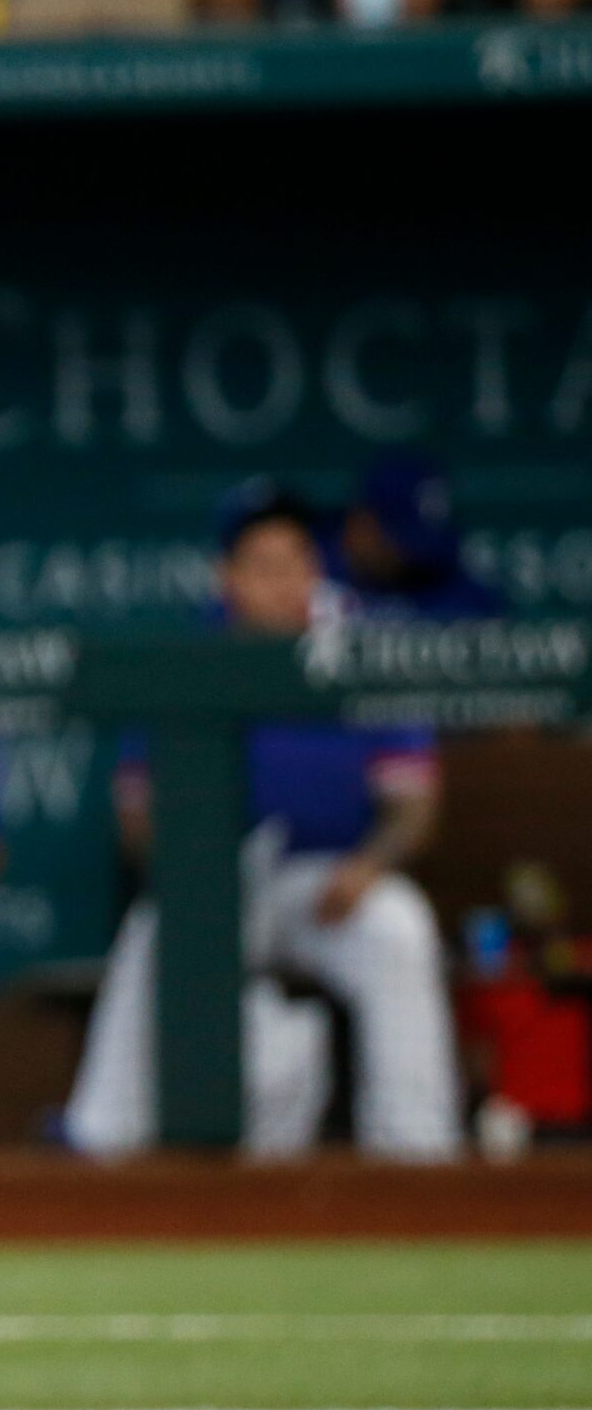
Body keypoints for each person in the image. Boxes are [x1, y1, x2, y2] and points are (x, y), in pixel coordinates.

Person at [63, 479, 464, 1161]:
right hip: (217, 877)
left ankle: (416, 1154)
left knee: (398, 929)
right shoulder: (185, 660)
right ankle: (102, 1141)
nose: (283, 583)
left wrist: (369, 865)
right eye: (262, 566)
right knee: (154, 929)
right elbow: (136, 817)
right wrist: (192, 883)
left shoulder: (359, 651)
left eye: (296, 563)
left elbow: (412, 806)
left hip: (327, 880)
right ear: (227, 576)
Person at [333, 450, 506, 623]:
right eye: (397, 535)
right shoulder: (319, 578)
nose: (410, 556)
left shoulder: (464, 598)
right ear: (362, 521)